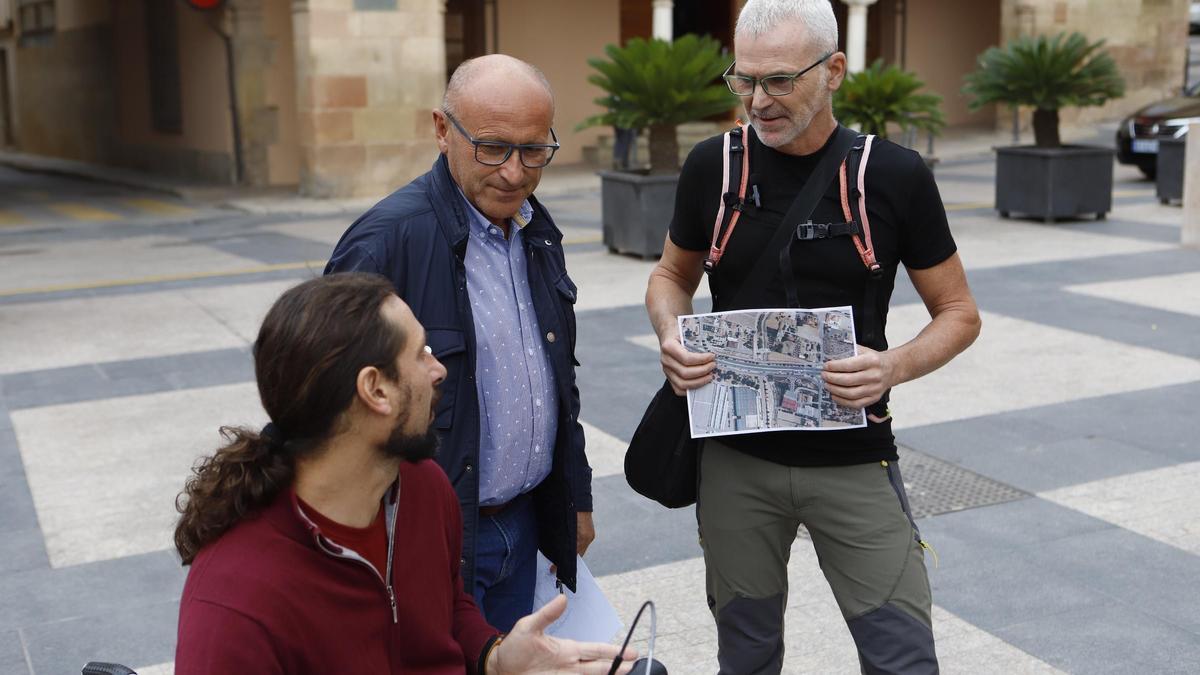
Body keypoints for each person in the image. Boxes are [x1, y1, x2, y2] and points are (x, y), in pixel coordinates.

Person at [644, 1, 982, 673]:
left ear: (834, 71)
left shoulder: (892, 175)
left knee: (903, 658)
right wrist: (671, 335)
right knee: (746, 656)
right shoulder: (713, 167)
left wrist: (892, 366)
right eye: (743, 80)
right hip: (737, 461)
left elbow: (959, 312)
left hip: (854, 459)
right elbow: (669, 275)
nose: (758, 101)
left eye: (779, 81)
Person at [173, 273, 633, 674]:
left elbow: (448, 613)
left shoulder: (426, 489)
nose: (439, 369)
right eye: (420, 354)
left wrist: (494, 656)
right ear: (375, 389)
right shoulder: (236, 603)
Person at [324, 54, 593, 631]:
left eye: (534, 150)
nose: (515, 173)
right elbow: (323, 410)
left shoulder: (535, 231)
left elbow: (558, 380)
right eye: (493, 148)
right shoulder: (384, 243)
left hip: (523, 527)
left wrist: (575, 498)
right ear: (442, 131)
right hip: (431, 541)